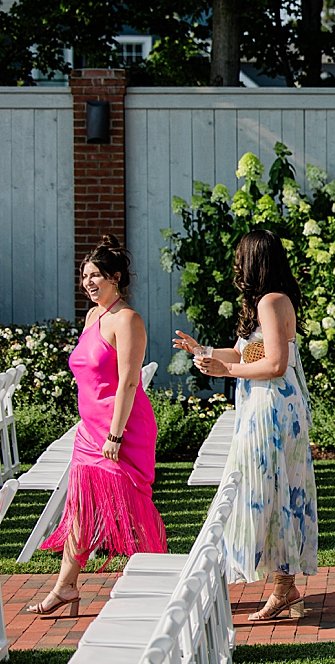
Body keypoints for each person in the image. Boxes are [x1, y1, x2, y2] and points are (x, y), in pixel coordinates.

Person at [173, 229, 318, 622]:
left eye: (240, 258)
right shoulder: (264, 302)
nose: (236, 265)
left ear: (254, 261)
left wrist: (227, 371)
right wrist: (203, 351)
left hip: (272, 408)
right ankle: (284, 586)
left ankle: (282, 587)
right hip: (261, 405)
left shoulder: (271, 302)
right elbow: (244, 353)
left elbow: (275, 364)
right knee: (269, 489)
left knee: (271, 489)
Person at [28, 238, 168, 618]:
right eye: (85, 276)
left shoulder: (128, 320)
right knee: (81, 509)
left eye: (96, 276)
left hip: (121, 431)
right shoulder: (93, 317)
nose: (88, 282)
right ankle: (66, 586)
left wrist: (115, 436)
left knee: (133, 507)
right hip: (89, 432)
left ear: (115, 278)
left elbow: (128, 382)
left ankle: (163, 578)